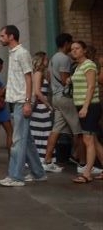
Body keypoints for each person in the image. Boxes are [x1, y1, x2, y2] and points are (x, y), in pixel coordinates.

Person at [0, 25, 47, 187]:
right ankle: (39, 173)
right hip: (16, 101)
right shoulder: (13, 54)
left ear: (11, 36)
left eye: (3, 36)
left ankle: (16, 176)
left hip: (22, 101)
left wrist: (27, 101)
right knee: (27, 140)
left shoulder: (22, 53)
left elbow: (29, 78)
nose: (0, 38)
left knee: (18, 140)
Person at [43, 33, 83, 173]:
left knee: (56, 129)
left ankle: (47, 160)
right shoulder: (65, 59)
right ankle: (82, 163)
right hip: (65, 97)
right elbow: (65, 79)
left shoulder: (53, 58)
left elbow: (48, 76)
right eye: (70, 44)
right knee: (79, 130)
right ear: (66, 43)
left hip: (55, 97)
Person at [69, 40, 103, 184]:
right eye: (72, 49)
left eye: (77, 48)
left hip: (90, 106)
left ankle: (87, 173)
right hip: (81, 105)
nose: (74, 51)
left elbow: (90, 87)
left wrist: (85, 107)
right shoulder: (78, 66)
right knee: (93, 140)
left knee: (87, 139)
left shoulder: (89, 64)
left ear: (84, 50)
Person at [30, 51, 53, 163]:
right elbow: (38, 92)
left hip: (41, 108)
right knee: (43, 132)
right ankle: (41, 159)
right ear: (41, 60)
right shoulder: (38, 73)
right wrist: (48, 105)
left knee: (43, 132)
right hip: (40, 108)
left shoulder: (41, 73)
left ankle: (41, 158)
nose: (47, 60)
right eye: (45, 59)